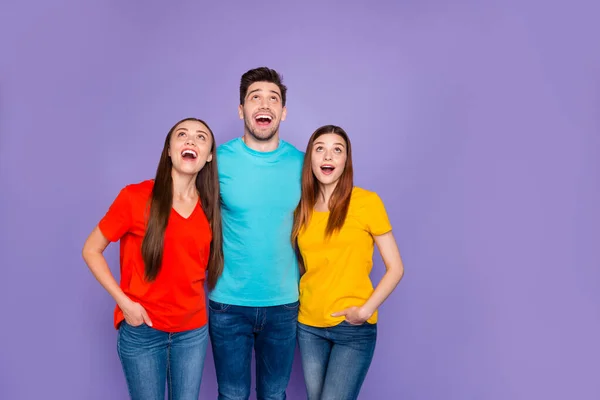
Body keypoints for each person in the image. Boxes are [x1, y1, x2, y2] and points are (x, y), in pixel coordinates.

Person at [81, 118, 223, 400]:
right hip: (143, 330)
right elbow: (91, 249)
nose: (190, 141)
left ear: (208, 157)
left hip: (192, 333)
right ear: (169, 150)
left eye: (200, 137)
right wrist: (124, 303)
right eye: (182, 135)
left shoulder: (210, 208)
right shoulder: (135, 197)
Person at [208, 67, 304, 400]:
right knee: (232, 395)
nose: (264, 104)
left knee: (274, 395)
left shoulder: (303, 164)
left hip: (284, 304)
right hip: (228, 304)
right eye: (255, 97)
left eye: (272, 98)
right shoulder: (216, 161)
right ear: (241, 110)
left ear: (283, 112)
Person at [292, 125, 405, 400]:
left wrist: (365, 311)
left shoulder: (366, 202)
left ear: (346, 160)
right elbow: (306, 266)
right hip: (308, 326)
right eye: (320, 149)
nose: (328, 156)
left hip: (352, 328)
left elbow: (396, 267)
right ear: (311, 159)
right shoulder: (302, 208)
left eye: (337, 150)